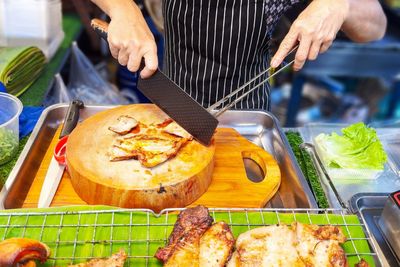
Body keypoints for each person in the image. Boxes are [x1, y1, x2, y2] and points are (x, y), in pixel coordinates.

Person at [91, 0, 386, 110]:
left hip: (249, 114)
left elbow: (375, 26)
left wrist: (340, 4)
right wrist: (122, 9)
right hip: (175, 107)